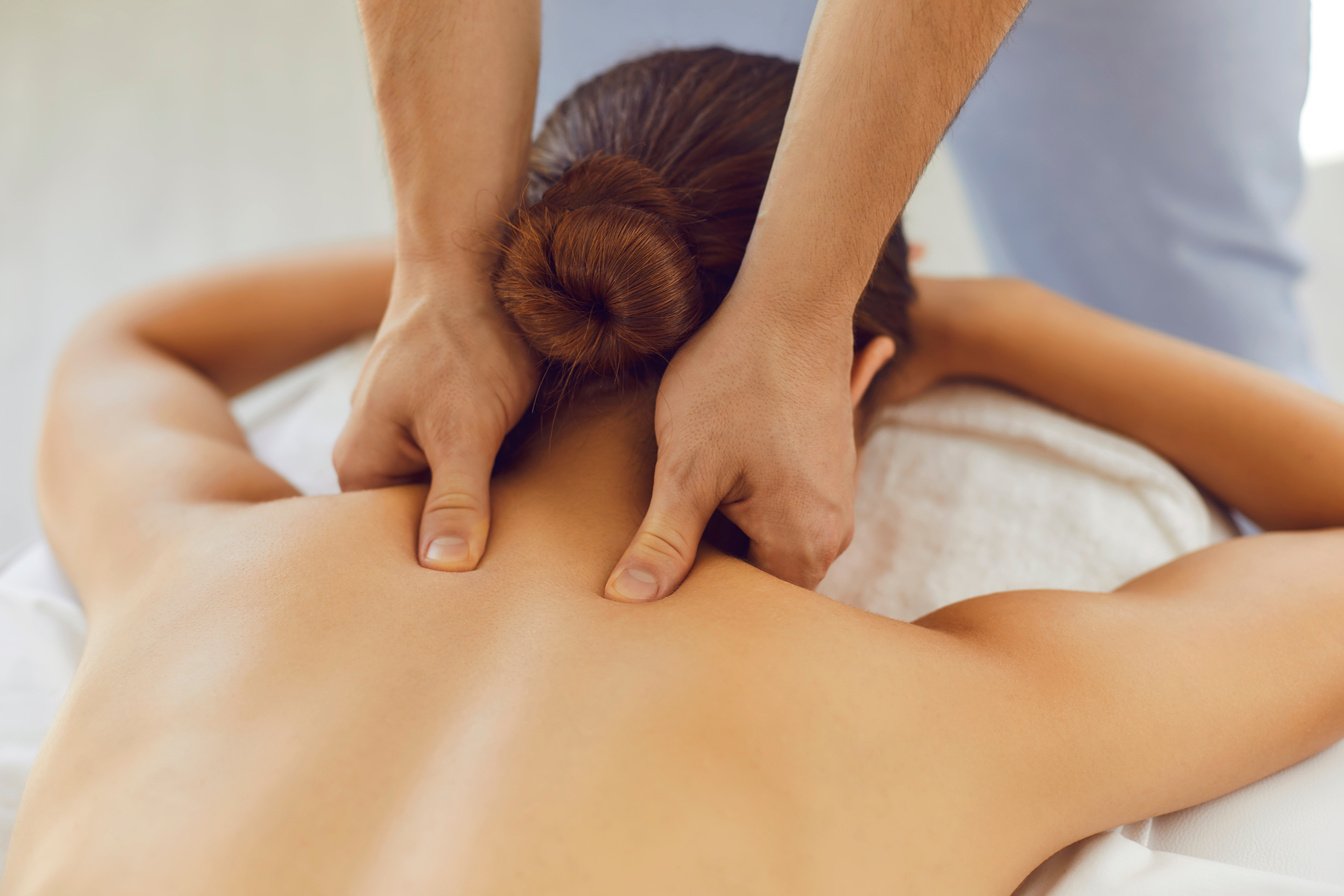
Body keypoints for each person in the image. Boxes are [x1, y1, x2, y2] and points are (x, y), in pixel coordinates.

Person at [6, 48, 1344, 895]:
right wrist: (983, 318)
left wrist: (473, 272)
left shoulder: (198, 561)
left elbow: (137, 339)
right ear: (860, 378)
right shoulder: (947, 714)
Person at [342, 0, 1318, 599]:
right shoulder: (931, 687)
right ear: (873, 364)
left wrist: (792, 312)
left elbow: (177, 334)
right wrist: (450, 275)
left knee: (1195, 311)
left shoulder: (247, 558)